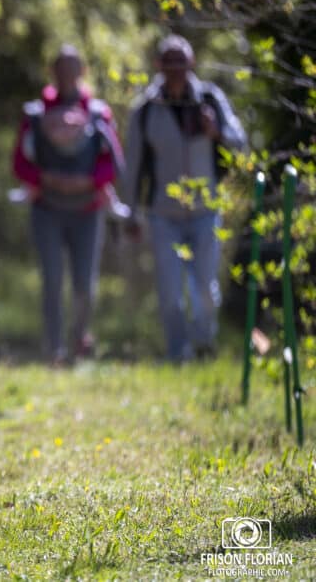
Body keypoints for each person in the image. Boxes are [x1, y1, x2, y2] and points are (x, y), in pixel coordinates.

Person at [119, 34, 247, 361]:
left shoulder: (211, 100)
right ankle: (178, 355)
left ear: (191, 63)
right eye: (169, 61)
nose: (176, 68)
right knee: (170, 295)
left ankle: (204, 346)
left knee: (205, 289)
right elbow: (132, 166)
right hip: (164, 215)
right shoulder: (146, 109)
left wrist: (215, 131)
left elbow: (240, 144)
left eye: (182, 61)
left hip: (206, 211)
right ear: (158, 65)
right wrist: (130, 213)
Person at [12, 45, 124, 364]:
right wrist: (45, 179)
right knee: (52, 279)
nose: (67, 75)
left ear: (82, 72)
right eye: (61, 68)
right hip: (46, 208)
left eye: (72, 68)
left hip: (88, 210)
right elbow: (20, 162)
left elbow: (114, 162)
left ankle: (80, 337)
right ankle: (54, 348)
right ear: (53, 72)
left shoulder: (99, 113)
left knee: (84, 284)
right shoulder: (34, 114)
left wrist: (90, 182)